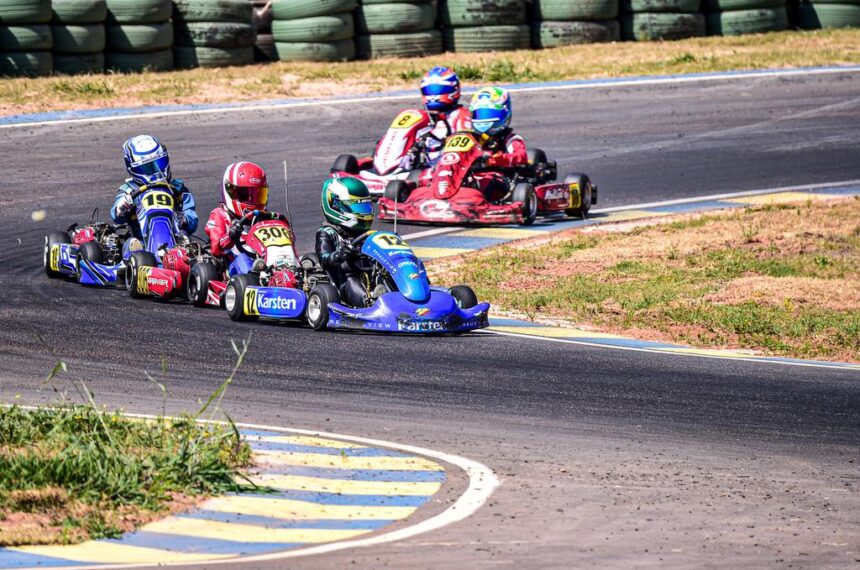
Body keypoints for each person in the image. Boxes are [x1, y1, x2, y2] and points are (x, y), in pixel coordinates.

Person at [111, 135, 198, 240]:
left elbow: (192, 219)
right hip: (141, 244)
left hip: (174, 240)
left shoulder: (178, 189)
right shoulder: (129, 190)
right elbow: (116, 217)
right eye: (147, 167)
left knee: (184, 236)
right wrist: (121, 208)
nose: (156, 171)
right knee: (130, 243)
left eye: (159, 163)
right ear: (133, 168)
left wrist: (185, 219)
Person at [205, 161, 283, 277]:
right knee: (244, 260)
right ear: (230, 191)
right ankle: (255, 281)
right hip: (235, 265)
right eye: (245, 195)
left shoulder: (263, 218)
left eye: (257, 195)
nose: (252, 201)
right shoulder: (220, 215)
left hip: (264, 262)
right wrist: (231, 236)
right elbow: (217, 249)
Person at [315, 177, 375, 308]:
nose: (363, 212)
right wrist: (339, 254)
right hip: (343, 280)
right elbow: (324, 259)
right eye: (358, 207)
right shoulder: (326, 232)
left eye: (365, 206)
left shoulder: (364, 234)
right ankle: (369, 305)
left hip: (368, 274)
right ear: (336, 206)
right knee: (351, 279)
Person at [468, 87, 529, 201]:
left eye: (489, 114)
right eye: (480, 115)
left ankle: (474, 203)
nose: (484, 119)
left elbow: (521, 157)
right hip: (471, 176)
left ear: (504, 114)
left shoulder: (509, 138)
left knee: (486, 182)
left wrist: (499, 159)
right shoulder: (471, 139)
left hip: (500, 178)